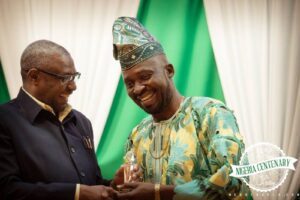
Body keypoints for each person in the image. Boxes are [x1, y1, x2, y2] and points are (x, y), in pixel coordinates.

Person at [112, 17, 250, 200]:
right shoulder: (137, 135)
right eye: (129, 83)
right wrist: (120, 186)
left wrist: (158, 193)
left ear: (169, 71)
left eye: (144, 76)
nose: (137, 88)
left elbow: (236, 180)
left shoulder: (210, 114)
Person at [0, 40, 117, 200]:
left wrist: (113, 186)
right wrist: (76, 194)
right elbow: (7, 189)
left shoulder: (82, 122)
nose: (73, 87)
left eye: (74, 77)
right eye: (65, 78)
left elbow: (92, 183)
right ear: (34, 77)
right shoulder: (4, 120)